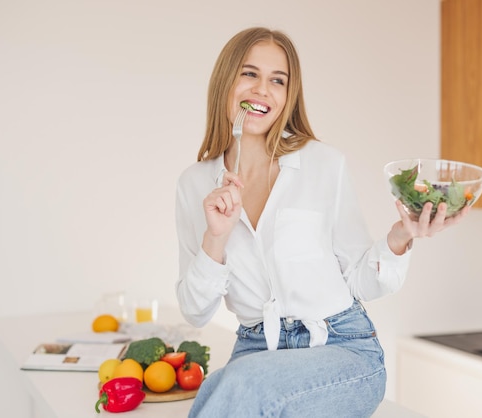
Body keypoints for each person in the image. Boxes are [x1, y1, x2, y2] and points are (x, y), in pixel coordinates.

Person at [175, 27, 467, 418]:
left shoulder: (323, 163)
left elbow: (359, 278)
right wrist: (216, 237)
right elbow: (194, 311)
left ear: (287, 96)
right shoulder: (194, 185)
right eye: (249, 74)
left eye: (278, 80)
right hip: (256, 350)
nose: (263, 89)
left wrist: (400, 236)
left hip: (343, 348)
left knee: (243, 387)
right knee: (218, 388)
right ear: (225, 81)